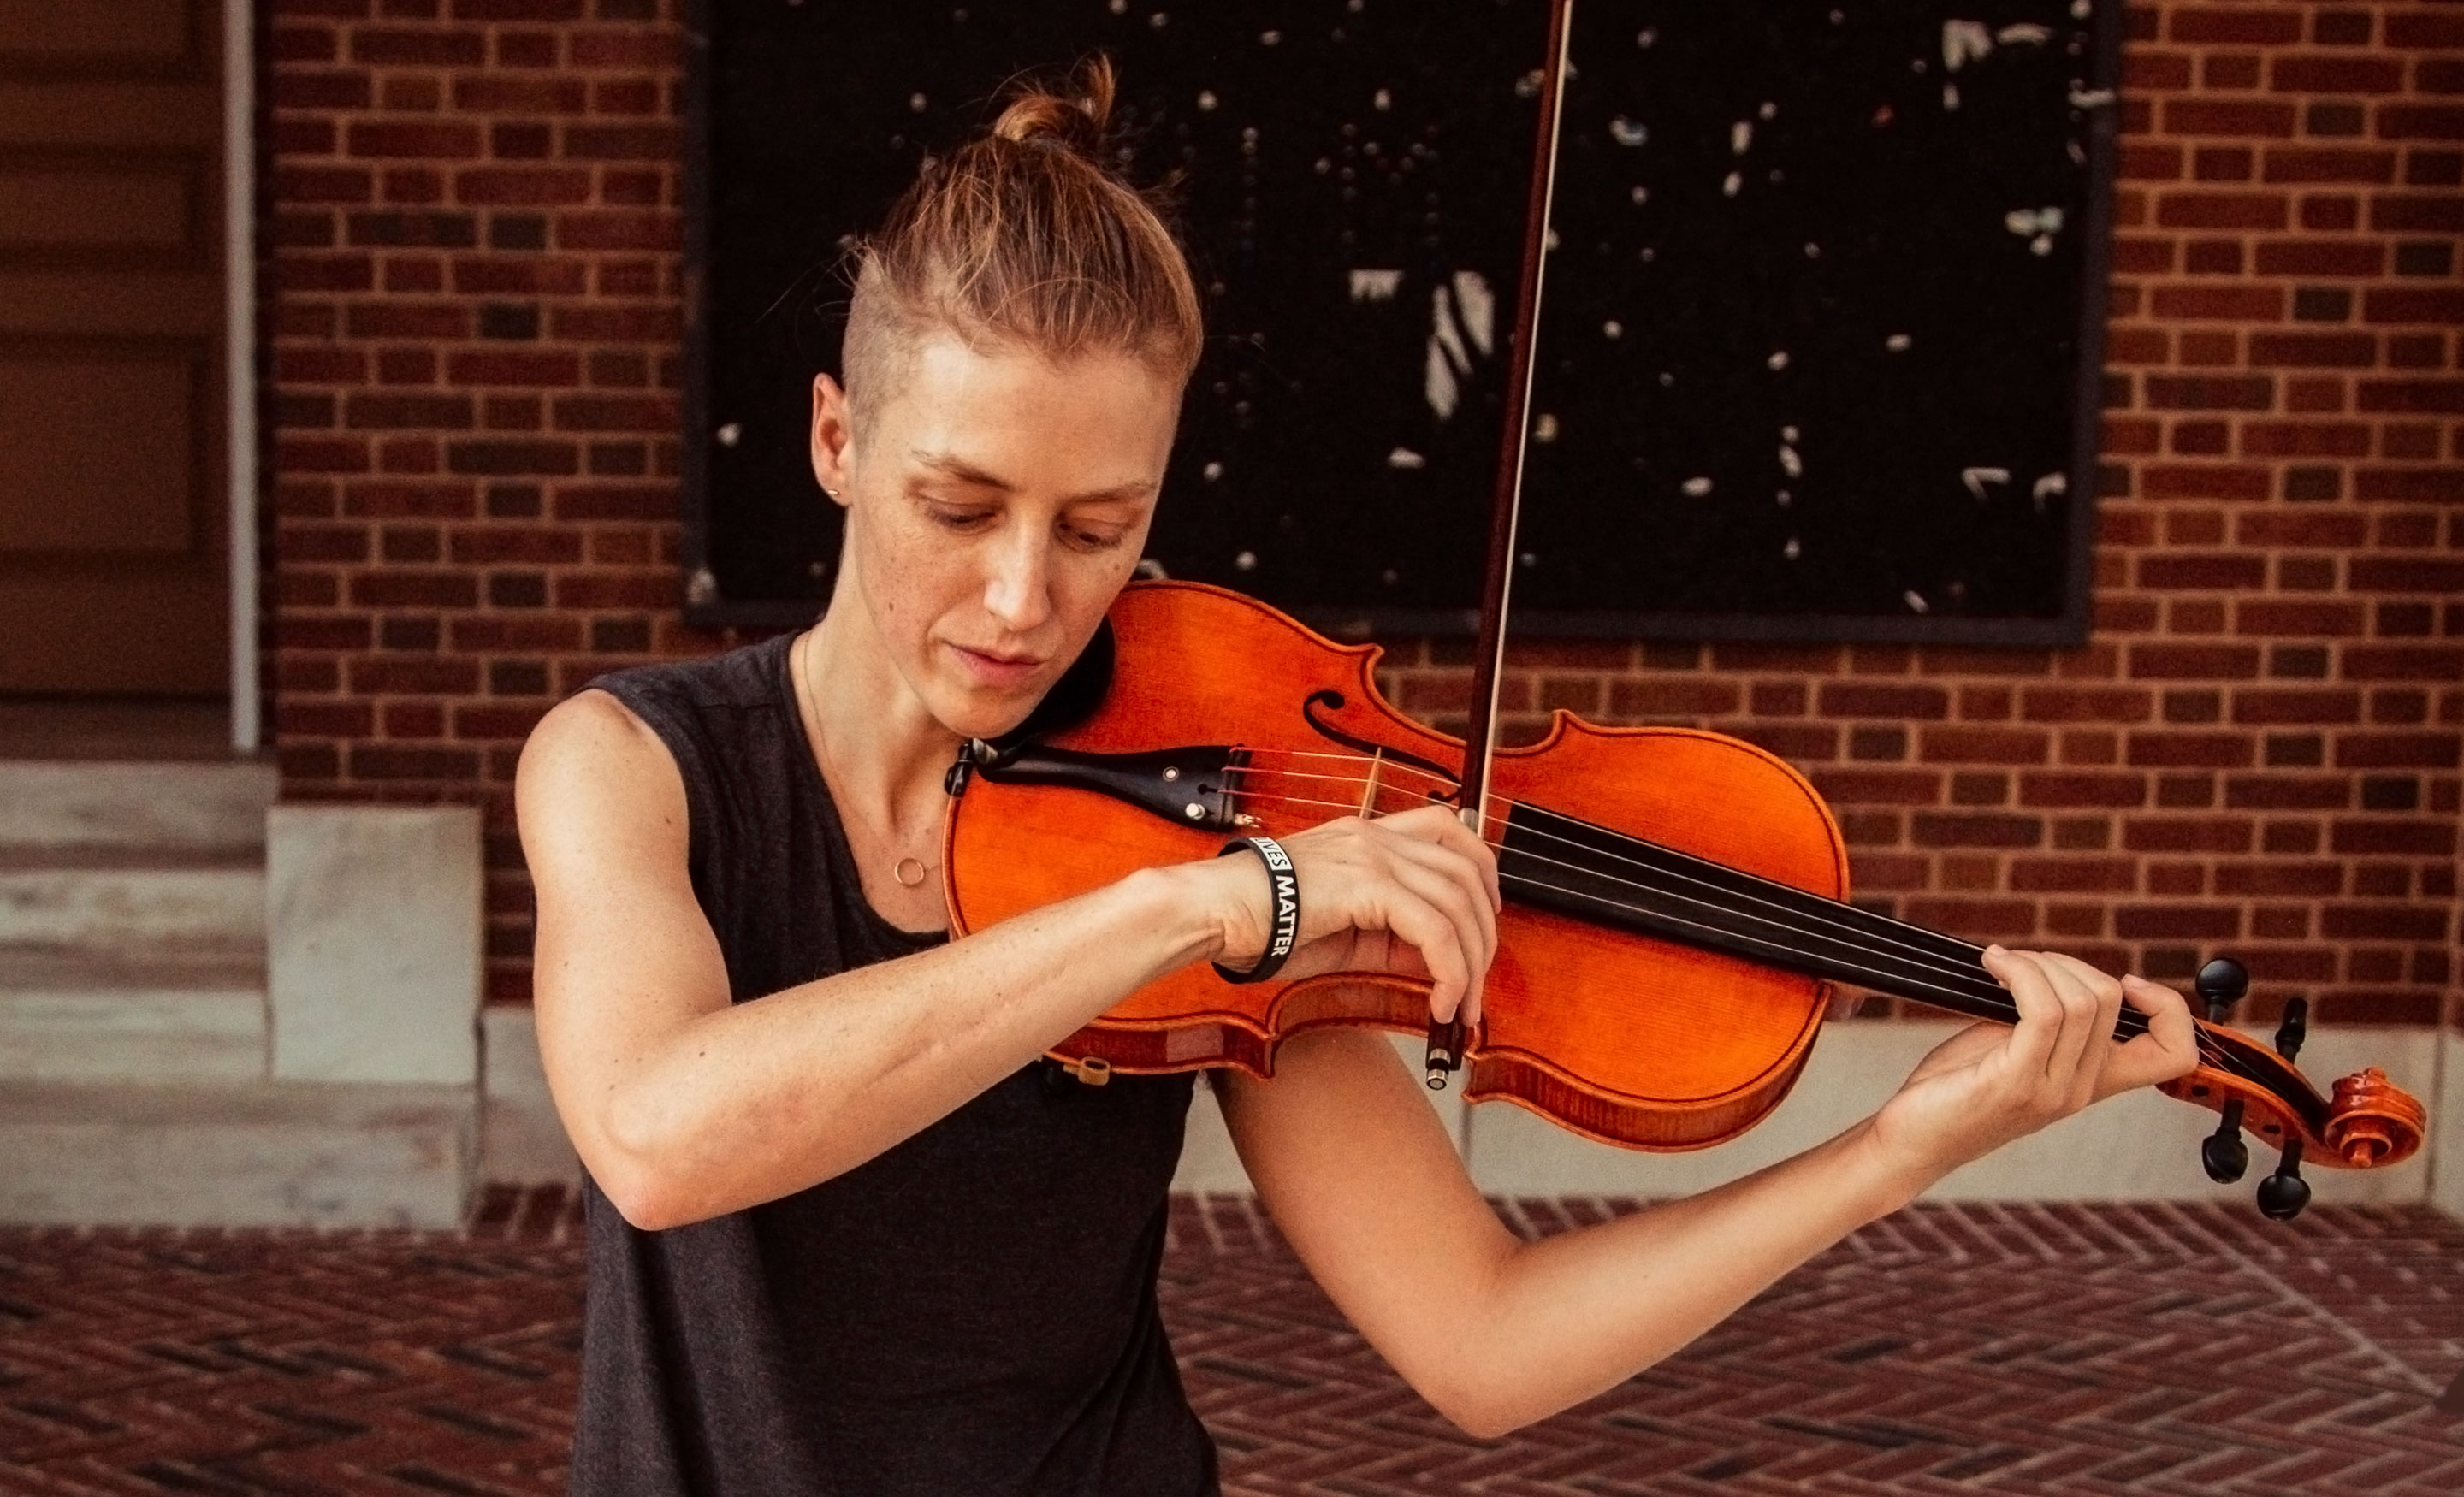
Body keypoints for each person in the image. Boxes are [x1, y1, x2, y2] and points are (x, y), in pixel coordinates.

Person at [516, 58, 2198, 1496]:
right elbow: (664, 1135)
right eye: (961, 507)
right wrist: (1205, 898)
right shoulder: (633, 766)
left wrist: (1893, 1150)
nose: (1029, 594)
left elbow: (1480, 1338)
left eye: (1101, 527)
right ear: (834, 441)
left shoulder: (1240, 802)